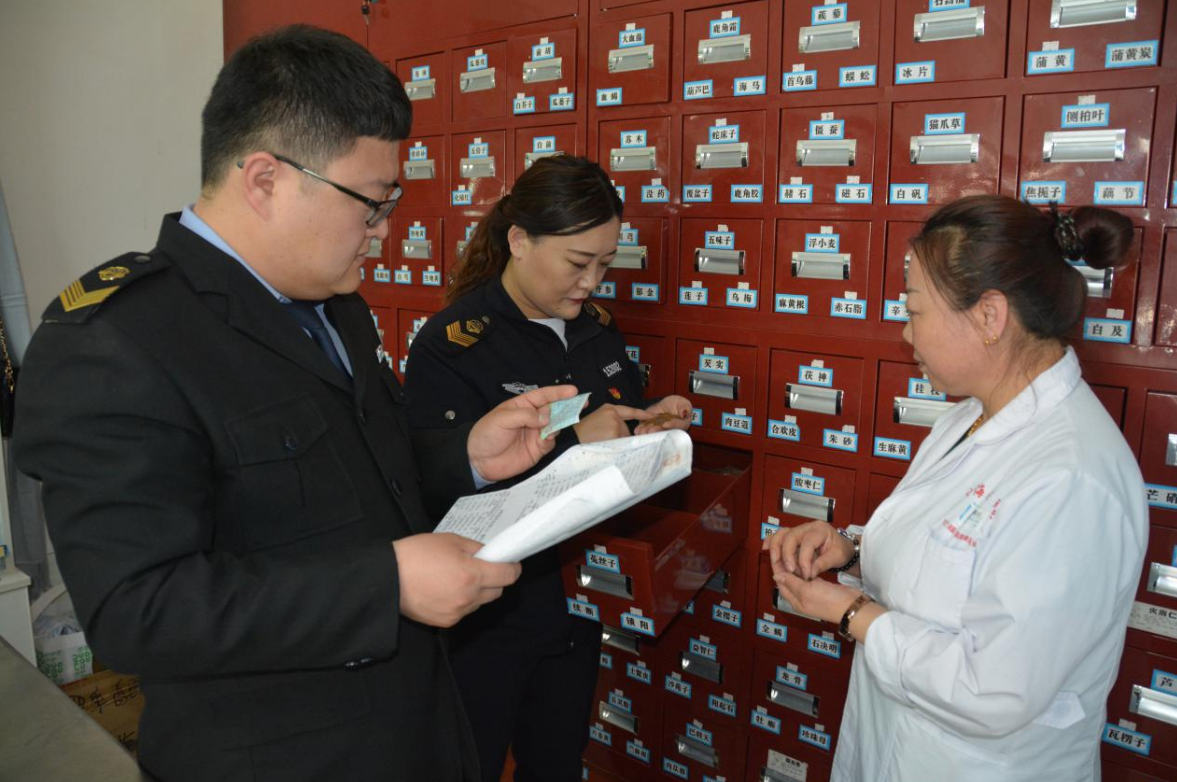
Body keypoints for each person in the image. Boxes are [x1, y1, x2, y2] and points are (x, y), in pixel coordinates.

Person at [13, 26, 578, 782]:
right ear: (265, 180)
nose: (384, 230)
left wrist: (466, 456)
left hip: (417, 730)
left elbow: (352, 473)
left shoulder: (335, 305)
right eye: (370, 203)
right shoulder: (117, 341)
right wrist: (386, 585)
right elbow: (137, 610)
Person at [764, 195, 1147, 782]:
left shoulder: (1072, 479)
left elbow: (993, 689)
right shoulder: (969, 417)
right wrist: (852, 550)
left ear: (990, 316)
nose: (905, 332)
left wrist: (850, 611)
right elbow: (947, 557)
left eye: (914, 310)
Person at [403, 155, 692, 781]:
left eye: (605, 263)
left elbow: (611, 433)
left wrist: (647, 426)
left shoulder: (598, 331)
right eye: (577, 262)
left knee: (556, 765)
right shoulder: (454, 345)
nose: (591, 282)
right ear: (519, 240)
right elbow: (436, 491)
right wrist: (577, 442)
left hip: (577, 608)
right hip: (486, 621)